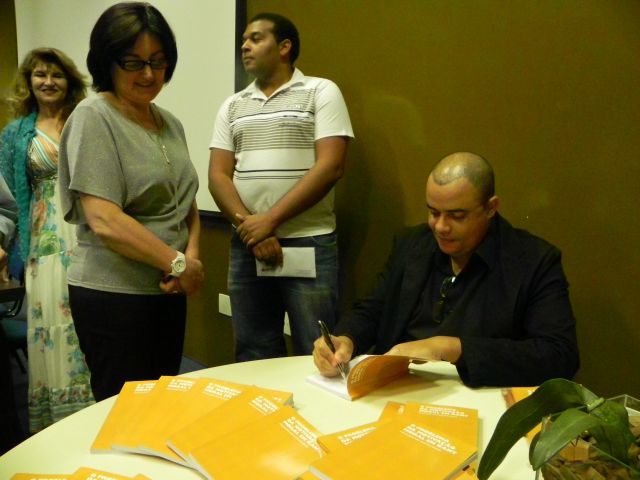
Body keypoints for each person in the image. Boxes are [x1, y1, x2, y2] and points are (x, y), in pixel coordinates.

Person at [313, 152, 579, 388]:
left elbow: (559, 356)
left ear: (491, 208)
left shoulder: (533, 261)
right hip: (396, 389)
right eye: (433, 212)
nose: (440, 227)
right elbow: (373, 310)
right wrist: (345, 338)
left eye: (457, 216)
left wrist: (451, 348)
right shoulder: (412, 244)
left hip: (474, 396)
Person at [58, 2, 204, 401]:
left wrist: (190, 258)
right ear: (107, 61)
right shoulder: (94, 116)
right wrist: (178, 263)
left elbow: (185, 200)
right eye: (134, 62)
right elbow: (104, 219)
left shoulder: (169, 122)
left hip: (168, 291)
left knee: (160, 401)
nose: (149, 74)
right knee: (123, 410)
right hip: (113, 295)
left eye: (158, 61)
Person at [209, 12, 354, 361]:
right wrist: (251, 229)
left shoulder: (321, 91)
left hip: (309, 241)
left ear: (285, 47)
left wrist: (269, 221)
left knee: (317, 350)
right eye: (243, 39)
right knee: (253, 349)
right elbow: (217, 175)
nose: (245, 46)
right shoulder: (233, 105)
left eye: (256, 38)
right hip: (247, 244)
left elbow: (331, 166)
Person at [0, 48, 94, 432]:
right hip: (43, 238)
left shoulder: (85, 121)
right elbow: (8, 196)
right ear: (29, 81)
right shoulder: (15, 134)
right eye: (40, 74)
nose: (48, 82)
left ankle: (94, 405)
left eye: (56, 75)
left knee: (87, 314)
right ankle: (58, 413)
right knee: (52, 316)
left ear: (69, 81)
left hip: (87, 230)